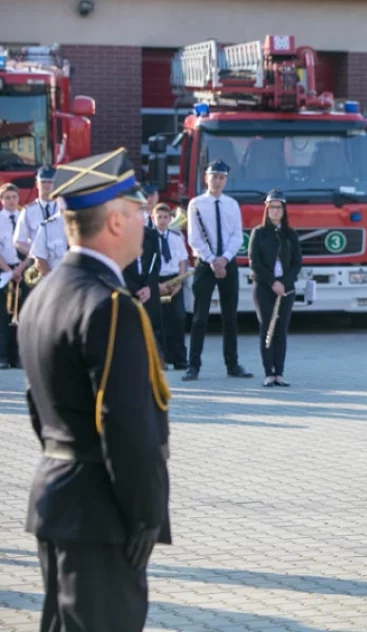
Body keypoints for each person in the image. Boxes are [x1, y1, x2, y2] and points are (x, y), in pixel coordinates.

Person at [17, 147, 172, 631]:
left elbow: (38, 406)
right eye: (139, 211)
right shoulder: (110, 306)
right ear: (115, 222)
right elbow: (126, 425)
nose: (145, 222)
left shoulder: (43, 294)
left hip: (58, 500)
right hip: (102, 513)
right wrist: (146, 514)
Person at [183, 159, 252, 380]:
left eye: (222, 177)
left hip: (227, 262)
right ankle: (193, 365)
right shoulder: (196, 204)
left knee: (230, 316)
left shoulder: (232, 204)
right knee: (199, 317)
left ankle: (232, 364)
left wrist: (224, 258)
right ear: (206, 178)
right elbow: (194, 238)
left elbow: (237, 235)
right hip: (205, 264)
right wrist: (212, 260)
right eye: (214, 177)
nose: (218, 181)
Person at [248, 189, 301, 387]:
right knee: (267, 328)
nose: (276, 211)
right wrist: (272, 282)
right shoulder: (259, 233)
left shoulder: (290, 234)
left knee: (281, 329)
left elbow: (297, 263)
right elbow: (255, 262)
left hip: (286, 288)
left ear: (284, 210)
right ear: (267, 210)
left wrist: (285, 283)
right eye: (272, 207)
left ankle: (279, 372)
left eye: (279, 207)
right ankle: (268, 373)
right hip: (264, 287)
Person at [153, 203, 190, 370]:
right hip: (157, 281)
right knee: (159, 321)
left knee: (178, 318)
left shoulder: (176, 237)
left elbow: (183, 260)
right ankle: (161, 359)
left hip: (174, 279)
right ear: (153, 219)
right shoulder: (149, 238)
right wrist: (156, 285)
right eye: (159, 217)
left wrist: (179, 281)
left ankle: (179, 359)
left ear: (170, 219)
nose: (162, 220)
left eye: (165, 217)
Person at [123, 203, 163, 354]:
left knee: (152, 327)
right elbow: (120, 265)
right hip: (130, 288)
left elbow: (156, 263)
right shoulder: (122, 236)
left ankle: (154, 358)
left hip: (148, 289)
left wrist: (148, 286)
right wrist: (135, 289)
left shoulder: (152, 235)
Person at [0, 183, 23, 368]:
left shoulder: (25, 217)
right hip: (4, 270)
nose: (11, 201)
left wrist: (20, 269)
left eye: (14, 197)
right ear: (1, 200)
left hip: (23, 270)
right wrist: (9, 270)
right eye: (7, 198)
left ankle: (19, 356)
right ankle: (3, 356)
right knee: (3, 315)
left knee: (22, 313)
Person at [30, 202, 69, 277]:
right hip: (57, 279)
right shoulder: (47, 226)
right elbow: (40, 259)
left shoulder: (88, 223)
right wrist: (51, 280)